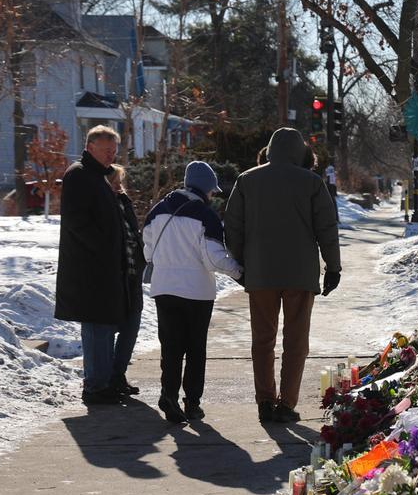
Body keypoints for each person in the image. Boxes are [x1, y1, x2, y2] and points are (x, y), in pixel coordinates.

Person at [225, 128, 341, 423]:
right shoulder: (312, 183)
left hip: (260, 272)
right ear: (300, 152)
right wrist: (333, 266)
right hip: (300, 274)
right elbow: (326, 229)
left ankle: (264, 400)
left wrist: (240, 263)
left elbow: (233, 227)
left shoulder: (247, 180)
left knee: (262, 339)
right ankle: (287, 404)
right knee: (296, 341)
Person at [143, 161, 243, 423]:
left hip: (163, 289)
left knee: (171, 347)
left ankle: (169, 394)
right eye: (212, 191)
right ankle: (192, 403)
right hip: (196, 292)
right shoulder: (205, 216)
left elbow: (148, 251)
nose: (213, 196)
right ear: (206, 189)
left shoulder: (157, 211)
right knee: (195, 349)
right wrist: (240, 273)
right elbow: (213, 259)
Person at [54, 125, 134, 405]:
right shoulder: (79, 175)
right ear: (90, 148)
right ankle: (95, 385)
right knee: (96, 328)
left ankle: (103, 382)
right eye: (106, 150)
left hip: (104, 267)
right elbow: (77, 221)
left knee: (103, 327)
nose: (112, 154)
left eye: (114, 150)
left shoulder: (98, 176)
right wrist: (103, 249)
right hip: (90, 269)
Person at [106, 164, 145, 395]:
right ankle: (107, 376)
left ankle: (118, 374)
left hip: (132, 276)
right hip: (114, 278)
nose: (119, 186)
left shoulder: (124, 203)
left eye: (120, 182)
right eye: (114, 182)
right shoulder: (105, 206)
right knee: (109, 331)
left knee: (131, 328)